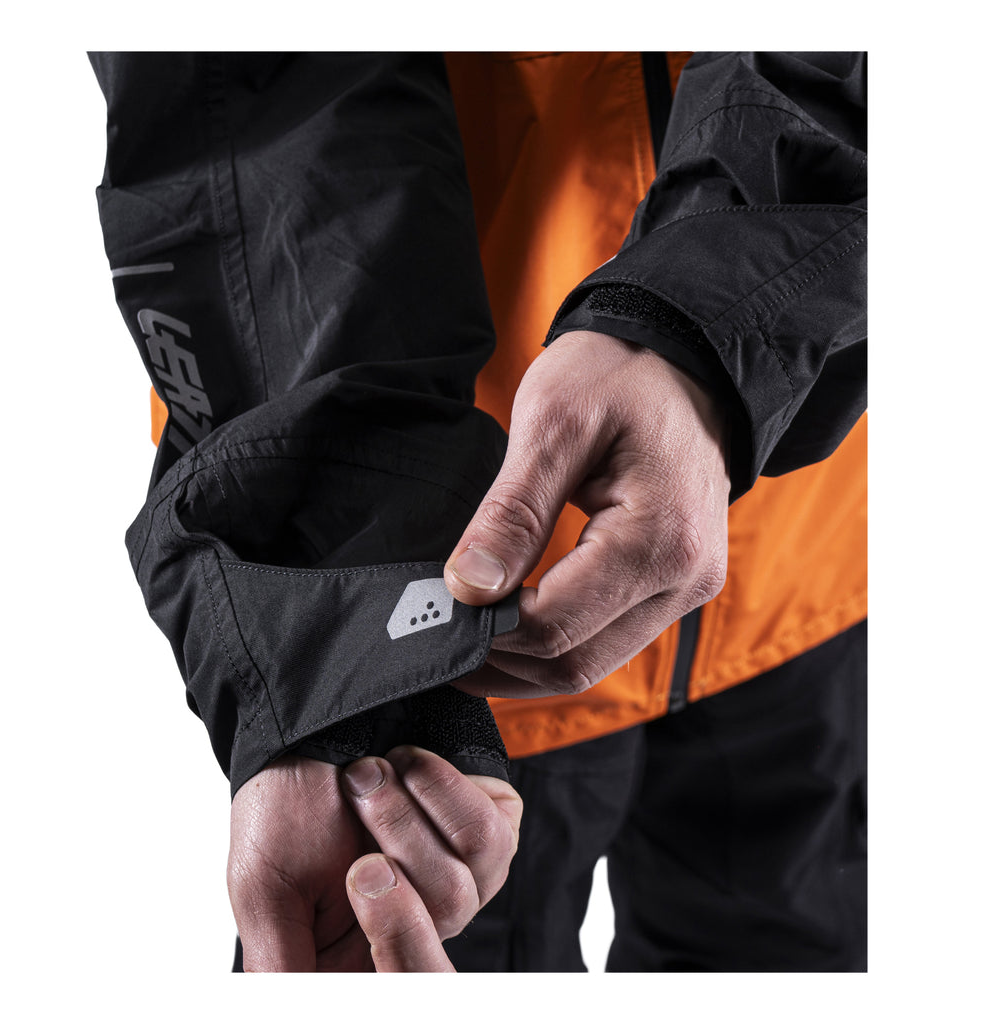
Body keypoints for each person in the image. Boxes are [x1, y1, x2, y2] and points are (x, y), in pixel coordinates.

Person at [91, 51, 866, 971]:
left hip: (806, 542)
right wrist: (345, 671)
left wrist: (714, 326)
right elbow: (252, 79)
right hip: (452, 642)